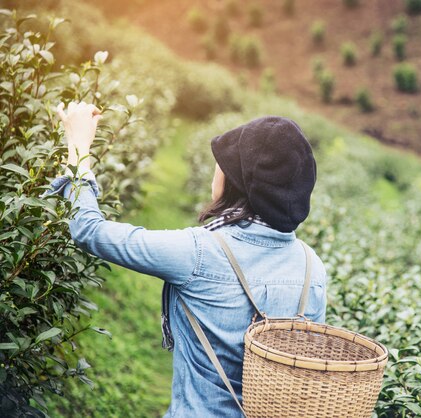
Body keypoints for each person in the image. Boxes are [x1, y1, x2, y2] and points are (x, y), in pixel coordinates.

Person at [43, 101, 327, 417]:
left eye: (224, 164)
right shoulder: (312, 267)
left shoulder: (200, 252)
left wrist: (78, 149)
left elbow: (89, 231)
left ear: (237, 183)